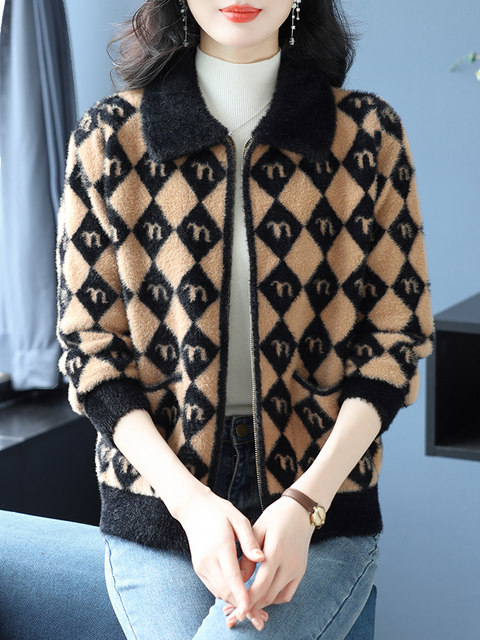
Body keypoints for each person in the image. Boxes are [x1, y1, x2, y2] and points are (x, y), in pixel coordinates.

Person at [55, 1, 435, 638]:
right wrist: (191, 505)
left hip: (323, 496)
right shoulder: (109, 139)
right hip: (161, 499)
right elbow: (89, 349)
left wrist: (305, 503)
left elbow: (394, 338)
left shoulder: (368, 135)